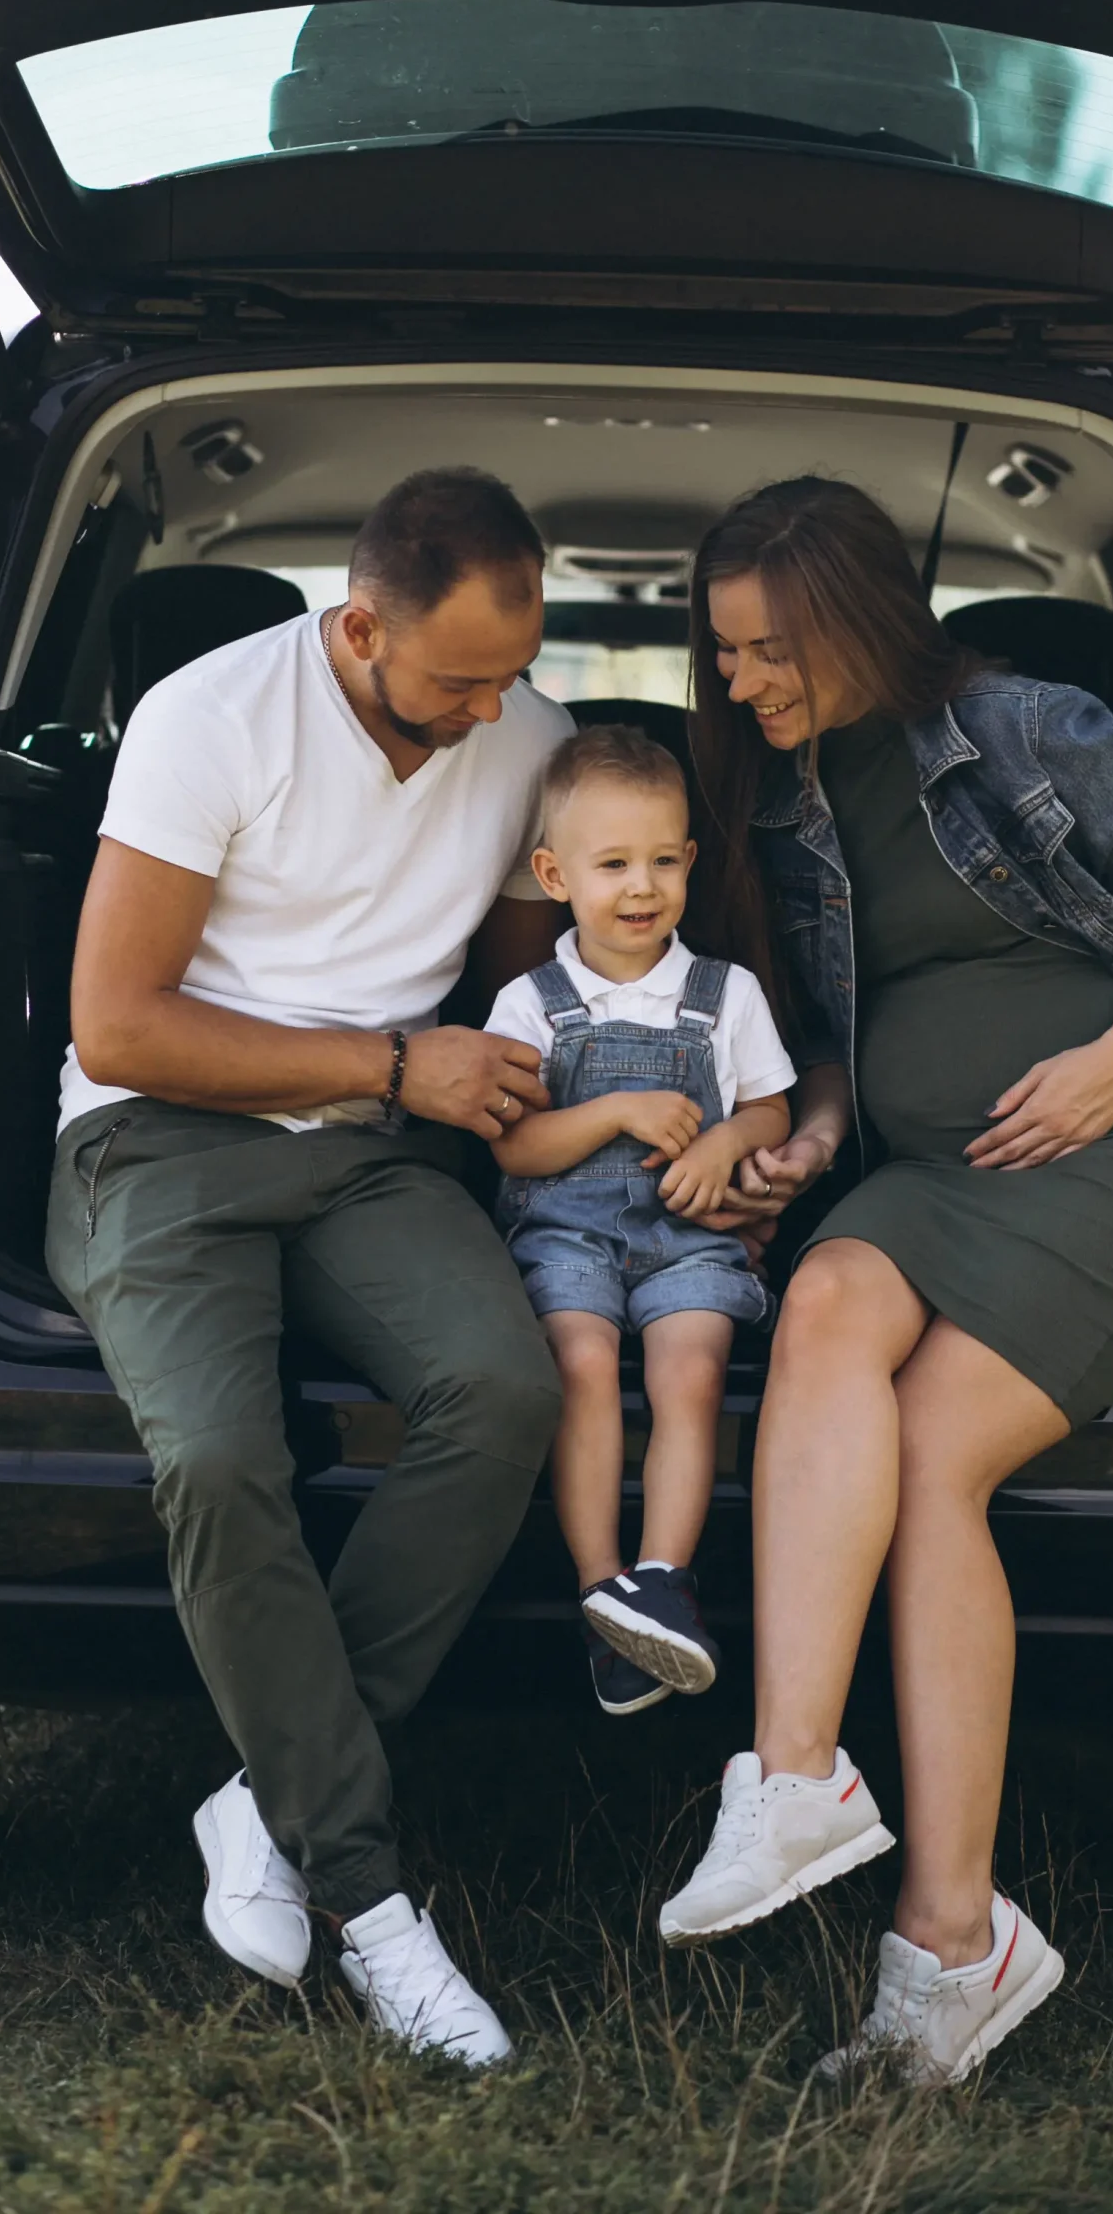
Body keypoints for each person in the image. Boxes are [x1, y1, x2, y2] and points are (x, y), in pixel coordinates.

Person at [657, 475, 1113, 2086]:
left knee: (932, 1466)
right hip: (929, 1172)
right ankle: (797, 1780)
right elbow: (854, 1019)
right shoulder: (774, 802)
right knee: (831, 1306)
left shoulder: (1019, 727)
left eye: (768, 650)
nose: (742, 685)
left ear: (858, 616)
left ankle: (949, 1941)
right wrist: (819, 1127)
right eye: (721, 657)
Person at [47, 468, 575, 2068]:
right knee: (218, 1458)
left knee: (499, 1391)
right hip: (155, 1137)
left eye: (512, 673)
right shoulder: (211, 719)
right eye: (459, 681)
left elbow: (506, 987)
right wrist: (391, 1063)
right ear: (357, 628)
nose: (494, 714)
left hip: (372, 1152)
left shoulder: (527, 734)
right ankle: (367, 1897)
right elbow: (116, 1022)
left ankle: (265, 1803)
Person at [485, 726, 795, 1714]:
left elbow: (769, 1107)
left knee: (688, 1370)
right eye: (611, 863)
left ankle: (660, 1581)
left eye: (662, 860)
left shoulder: (721, 994)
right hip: (564, 1233)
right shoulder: (530, 1002)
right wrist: (616, 1110)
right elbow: (513, 1147)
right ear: (552, 873)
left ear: (689, 864)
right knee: (577, 1362)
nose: (639, 887)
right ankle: (600, 1588)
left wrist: (721, 1144)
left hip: (685, 1235)